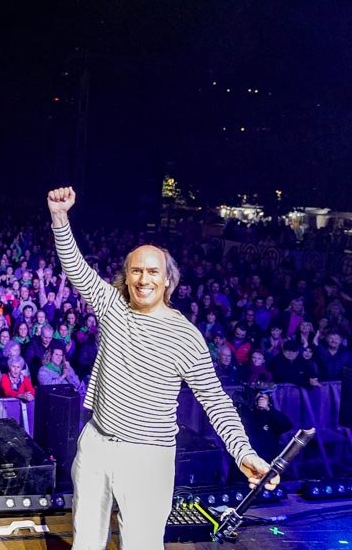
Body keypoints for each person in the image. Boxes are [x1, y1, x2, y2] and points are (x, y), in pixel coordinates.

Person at [47, 186, 273, 550]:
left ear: (168, 279)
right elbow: (75, 267)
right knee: (86, 542)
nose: (143, 279)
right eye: (135, 271)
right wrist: (60, 217)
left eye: (153, 271)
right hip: (97, 445)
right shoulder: (112, 306)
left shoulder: (186, 336)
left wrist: (244, 452)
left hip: (149, 456)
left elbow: (215, 401)